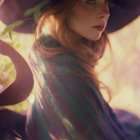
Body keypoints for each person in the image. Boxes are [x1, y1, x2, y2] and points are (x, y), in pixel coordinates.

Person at [0, 0, 140, 140]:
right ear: (61, 8)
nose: (106, 12)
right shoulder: (61, 68)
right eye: (91, 1)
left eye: (107, 2)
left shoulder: (53, 53)